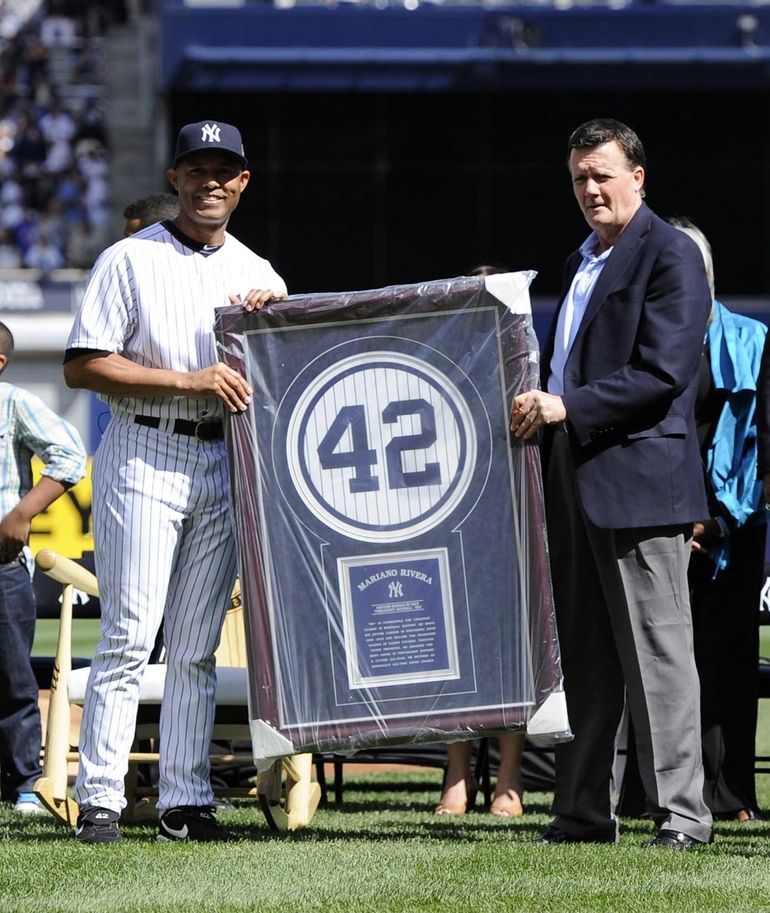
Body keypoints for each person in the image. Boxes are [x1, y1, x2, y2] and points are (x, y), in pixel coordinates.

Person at [63, 119, 287, 844]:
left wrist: (273, 322)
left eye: (224, 169)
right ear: (176, 176)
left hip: (221, 460)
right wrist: (187, 381)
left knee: (193, 643)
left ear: (243, 182)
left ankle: (184, 802)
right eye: (197, 166)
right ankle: (99, 796)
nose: (210, 180)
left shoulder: (260, 272)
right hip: (144, 447)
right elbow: (84, 363)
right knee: (129, 632)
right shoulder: (127, 260)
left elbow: (284, 374)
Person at [511, 118, 713, 849]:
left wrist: (569, 405)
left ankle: (683, 816)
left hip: (641, 484)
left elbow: (665, 372)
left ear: (639, 176)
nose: (590, 189)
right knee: (585, 665)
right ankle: (582, 813)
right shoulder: (579, 260)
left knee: (658, 657)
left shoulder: (673, 254)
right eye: (578, 178)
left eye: (602, 174)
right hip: (573, 477)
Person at [668, 218, 767, 823]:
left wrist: (719, 519)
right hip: (662, 522)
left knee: (727, 661)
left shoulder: (753, 341)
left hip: (735, 522)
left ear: (706, 275)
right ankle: (661, 794)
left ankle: (731, 796)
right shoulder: (651, 341)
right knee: (666, 662)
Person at [435, 262, 526, 820]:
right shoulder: (437, 365)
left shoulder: (525, 368)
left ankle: (511, 782)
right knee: (456, 651)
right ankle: (456, 775)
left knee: (511, 652)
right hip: (450, 526)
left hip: (511, 521)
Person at [0, 320, 86, 815]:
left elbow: (70, 455)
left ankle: (26, 783)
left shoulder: (12, 402)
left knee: (11, 677)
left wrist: (22, 513)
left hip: (2, 566)